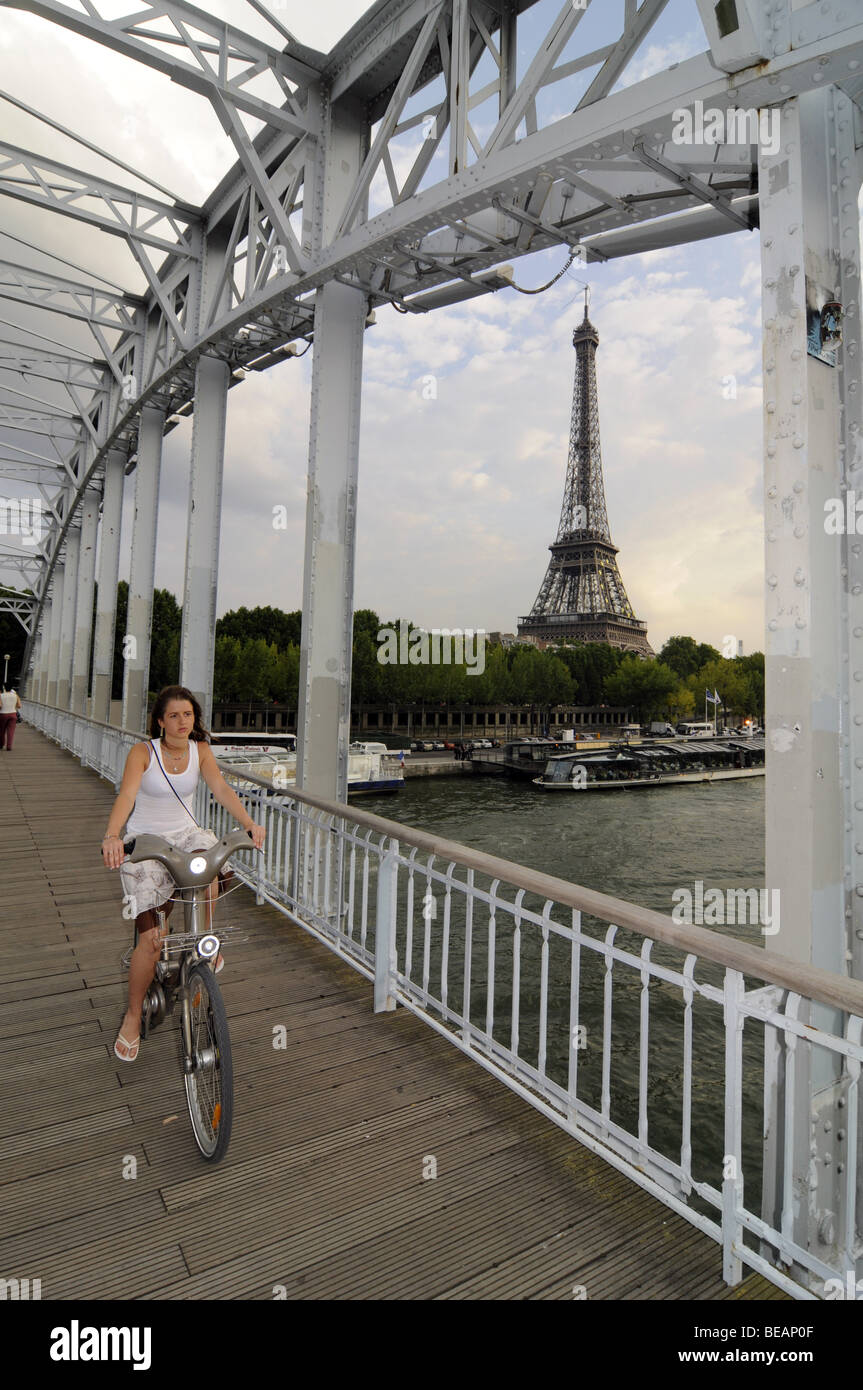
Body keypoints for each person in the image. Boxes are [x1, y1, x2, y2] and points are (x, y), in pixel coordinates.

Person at [102, 685, 266, 1063]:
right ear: (160, 721)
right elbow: (126, 796)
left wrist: (249, 824)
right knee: (152, 941)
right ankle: (131, 1016)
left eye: (188, 715)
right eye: (173, 716)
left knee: (207, 861)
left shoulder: (200, 751)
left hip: (186, 834)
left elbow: (221, 789)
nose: (181, 722)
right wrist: (113, 836)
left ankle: (203, 940)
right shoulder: (143, 752)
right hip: (147, 840)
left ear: (195, 720)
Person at [0, 684, 21, 750]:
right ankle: (9, 746)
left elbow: (0, 706)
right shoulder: (16, 696)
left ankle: (1, 744)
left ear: (4, 688)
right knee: (11, 731)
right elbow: (19, 706)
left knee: (1, 730)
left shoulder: (1, 695)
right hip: (13, 714)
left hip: (3, 714)